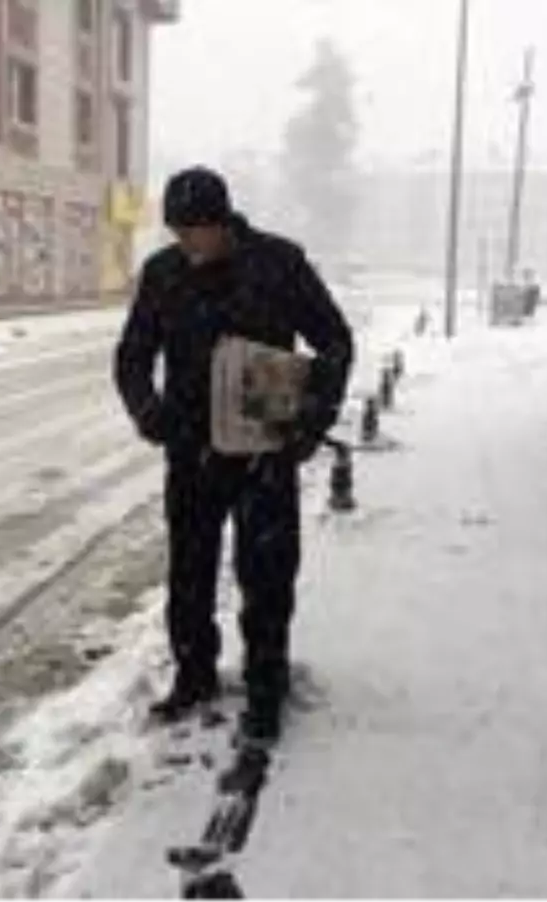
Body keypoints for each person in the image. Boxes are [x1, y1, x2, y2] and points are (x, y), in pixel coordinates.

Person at [113, 166, 354, 743]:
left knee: (267, 576)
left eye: (197, 231)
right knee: (189, 574)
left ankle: (266, 690)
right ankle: (194, 676)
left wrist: (309, 420)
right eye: (178, 233)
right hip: (191, 452)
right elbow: (132, 357)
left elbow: (335, 342)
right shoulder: (163, 274)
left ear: (223, 221)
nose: (188, 245)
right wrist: (150, 412)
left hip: (264, 452)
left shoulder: (278, 264)